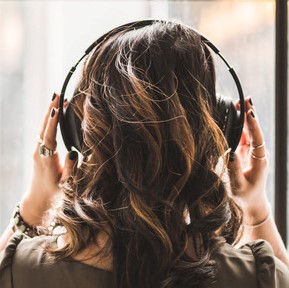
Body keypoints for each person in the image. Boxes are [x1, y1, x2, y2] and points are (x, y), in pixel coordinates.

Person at [0, 21, 288, 288]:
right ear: (220, 130)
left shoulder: (22, 270)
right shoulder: (256, 276)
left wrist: (35, 202)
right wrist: (256, 210)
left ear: (77, 133)